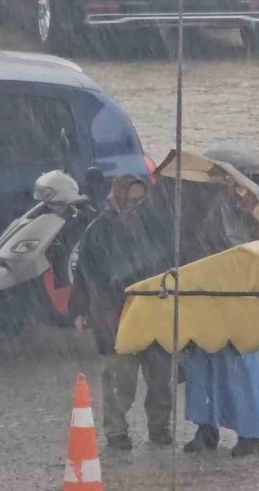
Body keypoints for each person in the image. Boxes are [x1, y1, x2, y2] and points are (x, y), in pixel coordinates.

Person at [68, 174, 174, 450]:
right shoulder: (99, 229)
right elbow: (85, 271)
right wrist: (80, 309)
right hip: (116, 312)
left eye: (142, 199)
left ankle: (159, 426)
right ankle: (116, 430)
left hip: (153, 309)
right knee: (120, 376)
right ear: (119, 197)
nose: (137, 205)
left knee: (161, 375)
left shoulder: (155, 225)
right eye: (132, 199)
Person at [181, 177, 259, 458]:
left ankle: (249, 434)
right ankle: (208, 428)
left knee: (238, 369)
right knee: (202, 369)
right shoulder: (194, 215)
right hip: (203, 300)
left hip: (235, 305)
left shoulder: (243, 220)